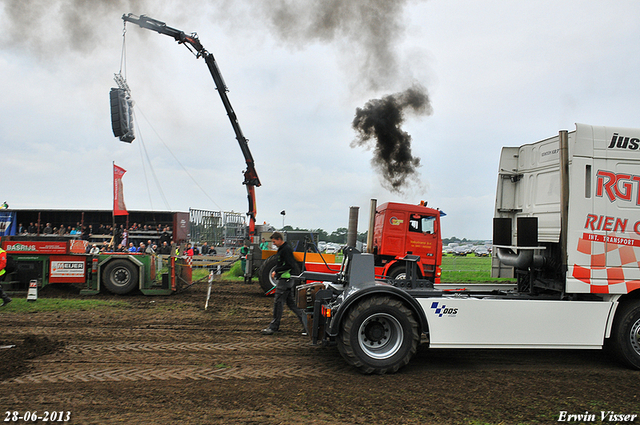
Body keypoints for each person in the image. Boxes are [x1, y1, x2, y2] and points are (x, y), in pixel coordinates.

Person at [261, 232, 307, 336]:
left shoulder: (286, 250)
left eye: (274, 242)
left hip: (284, 280)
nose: (274, 244)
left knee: (278, 304)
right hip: (286, 280)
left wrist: (276, 271)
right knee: (292, 305)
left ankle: (273, 327)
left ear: (279, 239)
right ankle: (307, 326)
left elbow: (290, 264)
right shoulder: (284, 249)